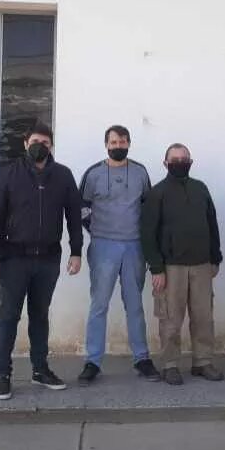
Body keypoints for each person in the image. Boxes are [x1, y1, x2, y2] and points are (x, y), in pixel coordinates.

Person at [0, 123, 83, 400]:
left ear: (51, 147)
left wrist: (77, 251)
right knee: (9, 316)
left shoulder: (63, 176)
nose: (41, 146)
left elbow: (74, 216)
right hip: (14, 258)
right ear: (26, 143)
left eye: (47, 142)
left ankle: (40, 370)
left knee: (40, 317)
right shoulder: (8, 175)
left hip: (48, 259)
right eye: (36, 141)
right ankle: (3, 375)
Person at [76, 125, 161, 386]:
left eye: (123, 141)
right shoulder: (93, 173)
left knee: (135, 305)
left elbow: (148, 208)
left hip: (134, 246)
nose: (118, 146)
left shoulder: (140, 172)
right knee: (99, 305)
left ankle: (142, 358)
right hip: (103, 246)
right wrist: (99, 232)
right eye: (113, 142)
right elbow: (82, 208)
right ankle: (93, 361)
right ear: (106, 144)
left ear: (129, 143)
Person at [140, 143, 224, 386]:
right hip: (170, 268)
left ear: (191, 161)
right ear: (165, 163)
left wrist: (215, 258)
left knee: (203, 317)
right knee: (170, 319)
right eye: (174, 159)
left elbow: (212, 224)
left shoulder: (201, 189)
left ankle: (203, 362)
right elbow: (148, 234)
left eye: (184, 158)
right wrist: (156, 267)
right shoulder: (157, 193)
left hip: (201, 265)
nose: (179, 162)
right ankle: (170, 365)